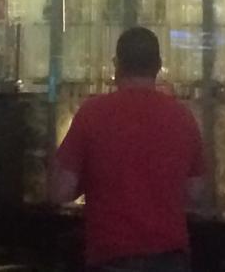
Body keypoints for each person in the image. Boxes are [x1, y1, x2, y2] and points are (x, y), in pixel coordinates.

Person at [50, 27, 209, 272]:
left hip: (110, 254)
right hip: (169, 256)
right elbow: (196, 193)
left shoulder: (93, 113)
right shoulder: (182, 116)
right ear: (158, 66)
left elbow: (61, 190)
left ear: (117, 65)